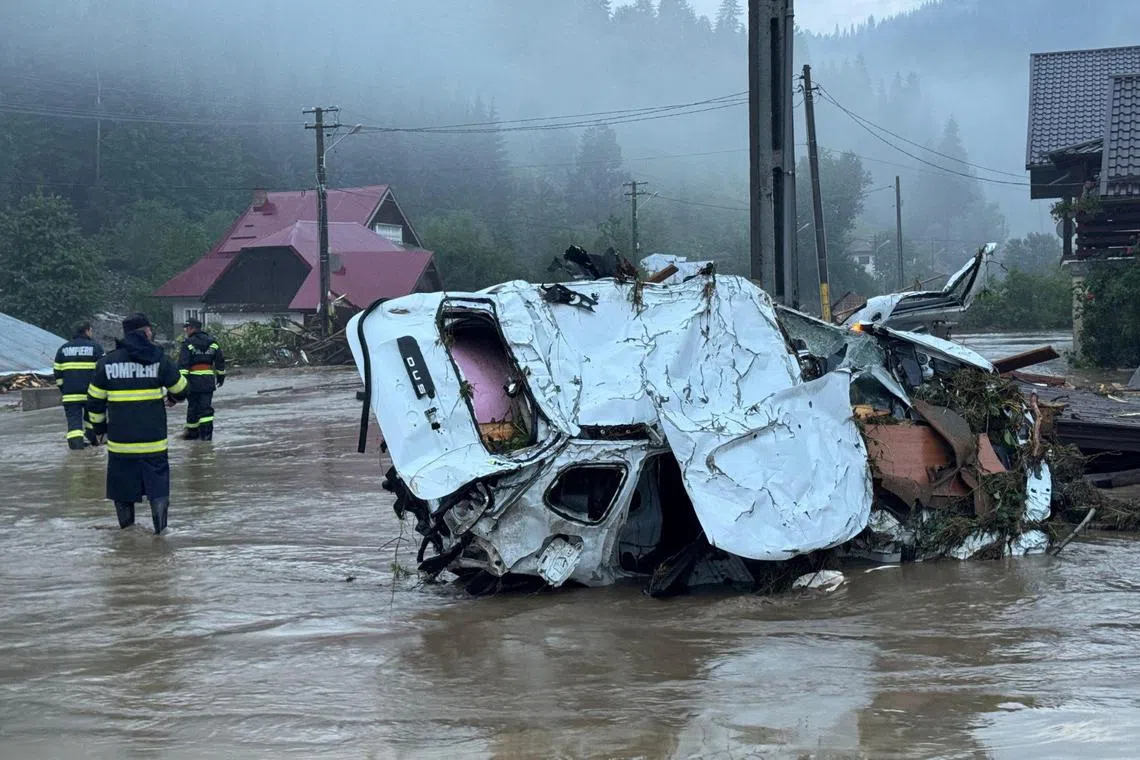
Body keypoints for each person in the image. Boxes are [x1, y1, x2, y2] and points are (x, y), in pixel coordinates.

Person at [86, 313, 187, 534]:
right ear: (146, 331)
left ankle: (127, 533)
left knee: (122, 489)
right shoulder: (159, 359)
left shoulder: (107, 363)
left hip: (120, 444)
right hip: (154, 443)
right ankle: (161, 533)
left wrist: (99, 431)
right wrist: (173, 398)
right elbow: (181, 389)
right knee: (158, 488)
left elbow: (94, 403)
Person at [52, 321, 104, 449]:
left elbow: (57, 373)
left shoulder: (63, 349)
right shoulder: (96, 348)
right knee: (91, 420)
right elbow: (103, 371)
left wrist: (64, 389)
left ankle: (76, 450)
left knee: (74, 424)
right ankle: (94, 444)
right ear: (87, 331)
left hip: (70, 395)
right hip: (92, 394)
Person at [177, 318, 225, 440]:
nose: (185, 330)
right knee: (206, 408)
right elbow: (220, 361)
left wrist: (182, 383)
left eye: (186, 328)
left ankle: (192, 435)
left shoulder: (188, 343)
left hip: (192, 382)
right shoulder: (212, 342)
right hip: (208, 382)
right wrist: (220, 376)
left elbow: (183, 365)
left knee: (193, 407)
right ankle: (207, 437)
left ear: (192, 328)